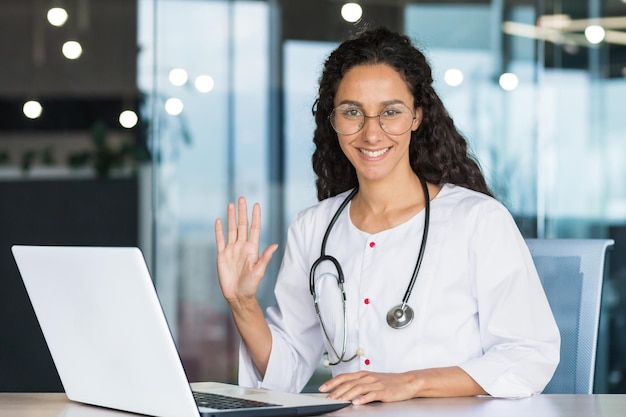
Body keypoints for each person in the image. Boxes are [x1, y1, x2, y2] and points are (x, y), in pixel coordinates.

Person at [214, 26, 560, 405]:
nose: (371, 133)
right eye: (352, 113)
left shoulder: (478, 220)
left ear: (417, 116)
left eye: (390, 112)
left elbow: (529, 355)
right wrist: (241, 303)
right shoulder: (313, 227)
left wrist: (410, 382)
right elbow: (286, 371)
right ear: (333, 120)